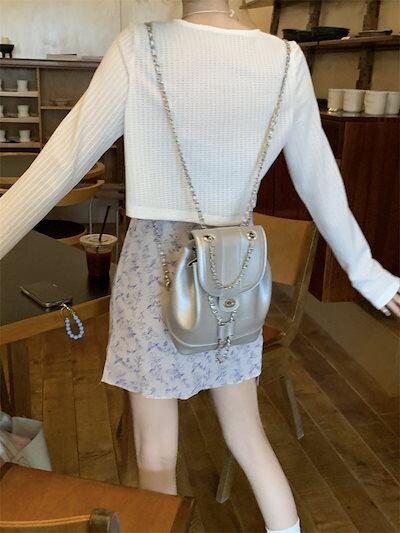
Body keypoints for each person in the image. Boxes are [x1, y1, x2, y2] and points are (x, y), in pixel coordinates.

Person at [0, 1, 399, 532]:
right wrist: (368, 272)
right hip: (233, 268)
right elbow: (319, 178)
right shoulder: (285, 60)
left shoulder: (139, 45)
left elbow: (61, 163)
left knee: (156, 456)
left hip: (154, 268)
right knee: (249, 437)